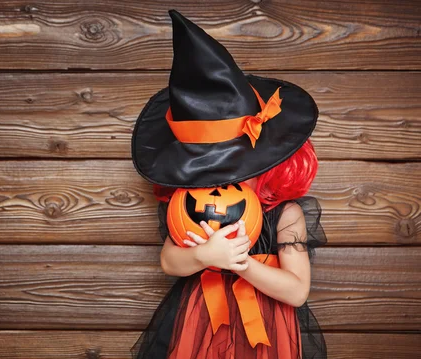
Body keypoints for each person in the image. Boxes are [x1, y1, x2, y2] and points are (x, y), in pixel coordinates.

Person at [129, 10, 327, 359]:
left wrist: (242, 264)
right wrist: (202, 256)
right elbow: (169, 261)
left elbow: (297, 292)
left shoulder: (285, 213)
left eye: (236, 165)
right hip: (201, 320)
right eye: (207, 169)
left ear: (268, 159)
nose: (223, 181)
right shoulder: (187, 204)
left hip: (266, 326)